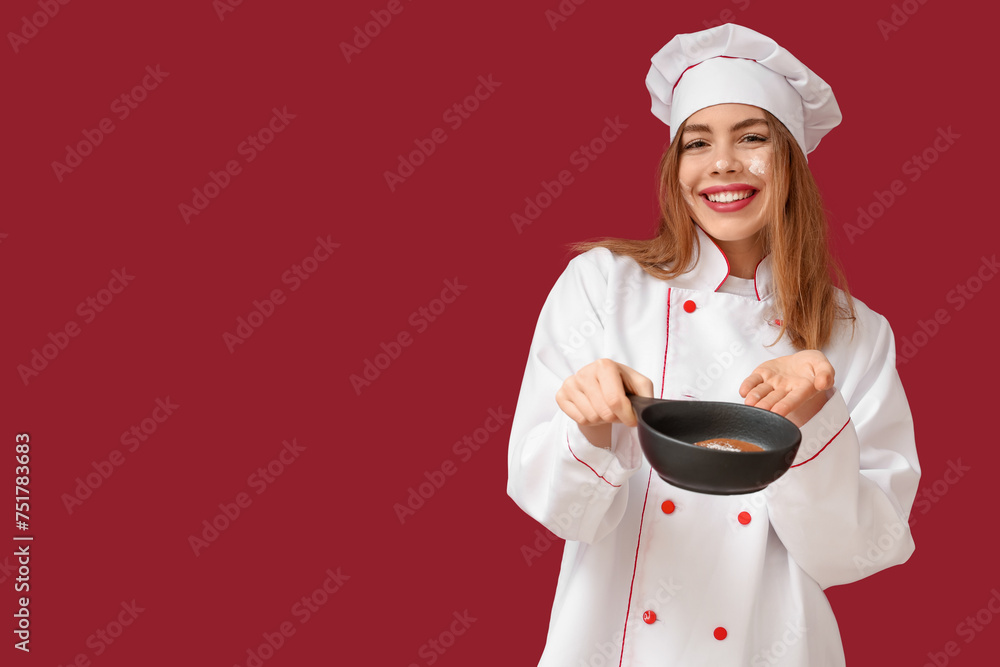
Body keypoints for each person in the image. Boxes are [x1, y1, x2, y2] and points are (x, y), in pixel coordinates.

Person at [506, 23, 920, 666]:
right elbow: (559, 511)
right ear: (677, 169)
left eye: (752, 138)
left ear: (791, 159)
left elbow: (856, 555)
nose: (722, 163)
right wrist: (587, 427)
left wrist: (815, 420)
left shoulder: (856, 333)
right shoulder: (604, 283)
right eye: (697, 142)